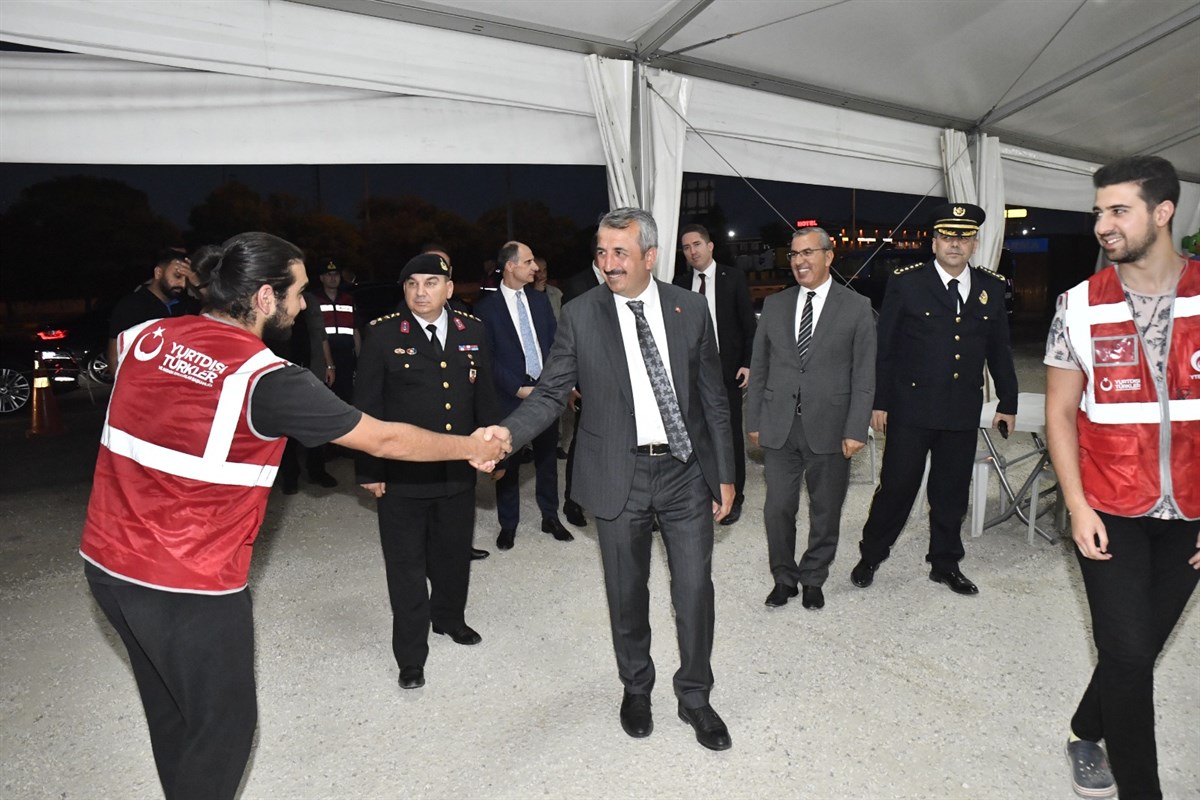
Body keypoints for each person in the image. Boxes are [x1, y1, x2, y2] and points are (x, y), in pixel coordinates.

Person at [79, 232, 507, 800]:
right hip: (188, 583)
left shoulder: (144, 336)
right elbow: (384, 438)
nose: (305, 305)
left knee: (172, 713)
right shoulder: (267, 378)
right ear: (264, 297)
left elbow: (117, 374)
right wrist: (472, 446)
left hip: (106, 564)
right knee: (224, 731)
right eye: (299, 292)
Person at [486, 208, 736, 752]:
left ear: (650, 256)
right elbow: (551, 393)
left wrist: (725, 473)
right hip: (618, 473)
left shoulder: (690, 308)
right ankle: (636, 688)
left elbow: (713, 397)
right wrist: (506, 435)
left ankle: (695, 696)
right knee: (626, 592)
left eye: (620, 252)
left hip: (685, 473)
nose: (608, 262)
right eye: (601, 252)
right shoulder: (581, 314)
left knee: (695, 590)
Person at [1044, 155, 1199, 800]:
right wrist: (1077, 506)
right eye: (1098, 212)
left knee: (1135, 647)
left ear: (1163, 212)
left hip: (1191, 510)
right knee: (1131, 656)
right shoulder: (1078, 304)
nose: (1103, 224)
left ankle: (1086, 729)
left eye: (1118, 210)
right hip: (1108, 505)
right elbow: (1058, 414)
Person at [850, 202, 1017, 596]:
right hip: (911, 408)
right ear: (934, 242)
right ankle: (871, 554)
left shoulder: (991, 287)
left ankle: (945, 563)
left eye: (963, 237)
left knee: (951, 492)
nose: (954, 244)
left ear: (974, 243)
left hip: (961, 409)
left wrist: (1007, 401)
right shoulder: (907, 283)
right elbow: (886, 348)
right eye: (946, 236)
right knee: (897, 487)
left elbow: (999, 349)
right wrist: (879, 402)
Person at [355, 253, 501, 691]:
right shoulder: (383, 333)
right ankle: (410, 655)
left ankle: (449, 619)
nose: (421, 291)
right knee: (406, 567)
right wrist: (370, 468)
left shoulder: (472, 331)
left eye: (432, 282)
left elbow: (484, 397)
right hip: (402, 476)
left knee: (453, 554)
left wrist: (494, 452)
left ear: (449, 289)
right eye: (413, 283)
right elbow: (367, 407)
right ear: (404, 289)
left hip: (456, 472)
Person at [746, 226, 875, 610]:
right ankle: (783, 578)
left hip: (831, 428)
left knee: (826, 510)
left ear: (828, 256)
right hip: (780, 426)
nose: (799, 261)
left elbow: (864, 375)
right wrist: (754, 420)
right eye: (794, 254)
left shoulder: (856, 307)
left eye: (807, 253)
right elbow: (760, 367)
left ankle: (814, 577)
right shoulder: (775, 305)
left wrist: (856, 428)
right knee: (777, 508)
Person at [473, 241, 572, 550]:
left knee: (546, 459)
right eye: (528, 262)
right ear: (510, 266)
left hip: (544, 393)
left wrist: (552, 384)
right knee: (509, 461)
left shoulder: (540, 301)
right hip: (509, 395)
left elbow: (556, 345)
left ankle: (550, 516)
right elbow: (487, 358)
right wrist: (516, 387)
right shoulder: (485, 308)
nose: (535, 267)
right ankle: (509, 525)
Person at [675, 223, 757, 524]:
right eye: (686, 247)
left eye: (696, 244)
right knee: (693, 433)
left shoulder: (732, 278)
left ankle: (735, 496)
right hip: (689, 375)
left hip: (727, 372)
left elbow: (749, 326)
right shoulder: (679, 284)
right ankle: (698, 491)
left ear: (710, 246)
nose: (692, 251)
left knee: (730, 435)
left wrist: (748, 362)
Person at [558, 258, 606, 527]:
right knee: (583, 441)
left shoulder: (625, 279)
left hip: (624, 375)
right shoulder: (577, 285)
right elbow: (569, 339)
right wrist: (571, 383)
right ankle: (573, 501)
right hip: (587, 378)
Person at [106, 247, 198, 374]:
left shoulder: (187, 305)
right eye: (177, 276)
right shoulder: (131, 306)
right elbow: (114, 356)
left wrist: (198, 284)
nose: (182, 284)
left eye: (187, 279)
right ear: (158, 273)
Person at [314, 257, 360, 402]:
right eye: (329, 275)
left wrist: (360, 360)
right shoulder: (314, 300)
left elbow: (355, 331)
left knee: (347, 397)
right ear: (322, 278)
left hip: (346, 357)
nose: (333, 278)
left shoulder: (348, 299)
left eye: (336, 274)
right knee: (326, 399)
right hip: (323, 358)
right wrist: (328, 364)